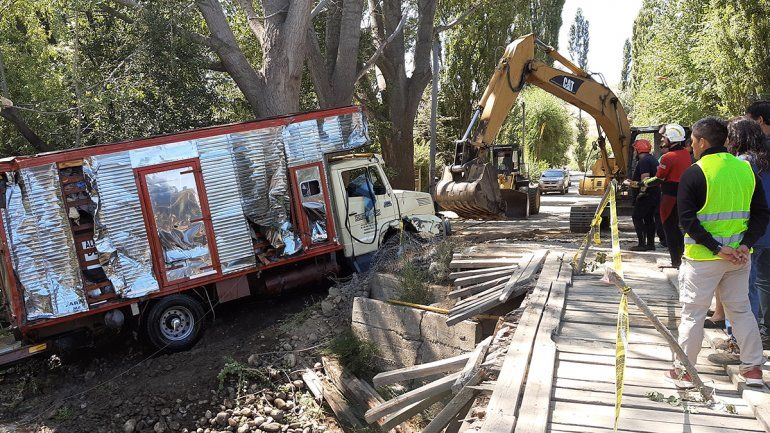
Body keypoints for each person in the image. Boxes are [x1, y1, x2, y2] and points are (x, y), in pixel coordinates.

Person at [668, 117, 770, 388]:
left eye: (692, 141)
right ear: (724, 141)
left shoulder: (695, 172)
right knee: (742, 311)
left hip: (704, 259)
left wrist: (716, 247)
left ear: (701, 141)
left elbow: (687, 220)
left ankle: (685, 372)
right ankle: (752, 370)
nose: (692, 146)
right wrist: (745, 244)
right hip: (739, 258)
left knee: (693, 314)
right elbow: (761, 214)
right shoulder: (746, 170)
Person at [730, 117, 770, 348]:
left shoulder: (742, 163)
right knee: (762, 284)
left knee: (745, 288)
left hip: (750, 233)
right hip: (766, 232)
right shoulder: (763, 160)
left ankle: (742, 341)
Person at [644, 124, 690, 268]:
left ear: (671, 138)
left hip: (669, 197)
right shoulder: (686, 154)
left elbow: (658, 179)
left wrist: (642, 183)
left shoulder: (667, 157)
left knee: (669, 228)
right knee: (677, 228)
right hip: (683, 196)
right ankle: (681, 259)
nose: (662, 139)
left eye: (664, 137)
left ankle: (676, 261)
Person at [628, 139, 660, 251]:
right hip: (654, 195)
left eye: (635, 150)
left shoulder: (644, 161)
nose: (634, 152)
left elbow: (645, 178)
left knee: (636, 217)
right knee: (649, 219)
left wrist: (641, 193)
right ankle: (650, 244)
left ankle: (642, 244)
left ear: (638, 150)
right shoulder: (653, 160)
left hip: (646, 195)